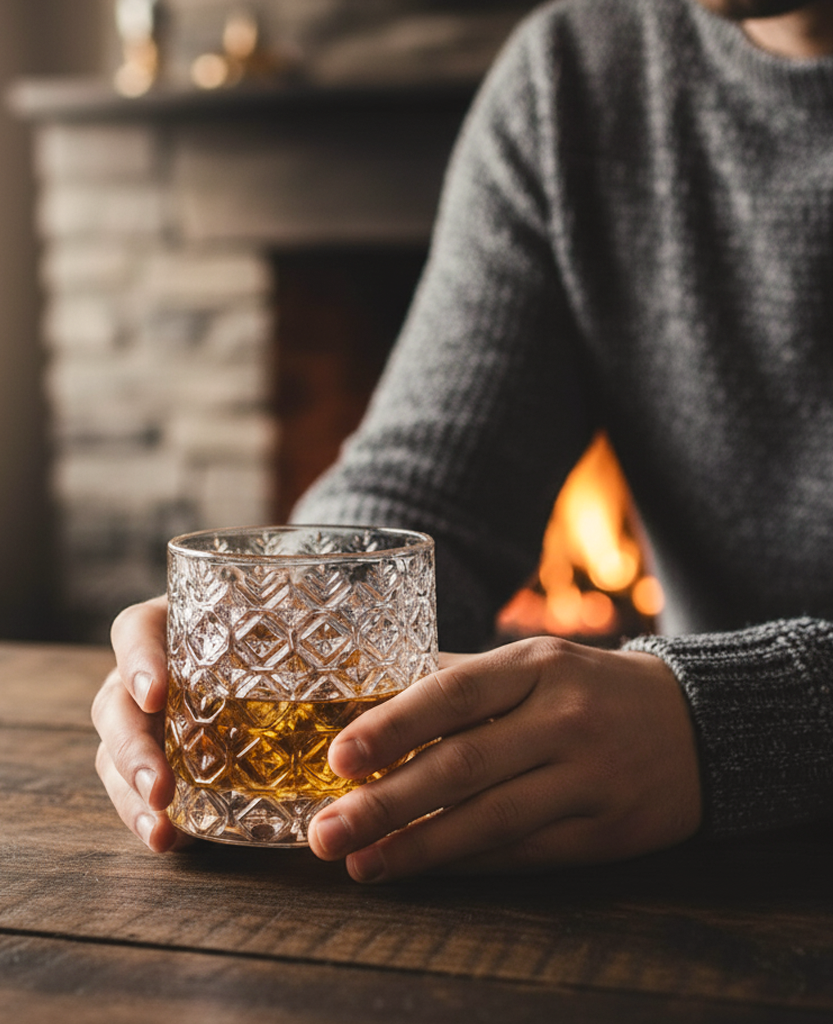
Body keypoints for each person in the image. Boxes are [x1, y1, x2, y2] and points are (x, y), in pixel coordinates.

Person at [92, 0, 833, 882]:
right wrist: (293, 615)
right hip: (690, 885)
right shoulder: (577, 71)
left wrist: (728, 723)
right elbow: (430, 483)